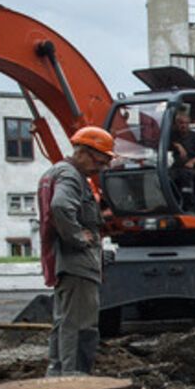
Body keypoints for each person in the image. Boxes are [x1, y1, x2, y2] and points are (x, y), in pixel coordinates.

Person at [38, 126, 114, 376]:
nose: (100, 169)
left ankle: (58, 372)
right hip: (77, 264)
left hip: (67, 263)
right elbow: (60, 206)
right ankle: (74, 377)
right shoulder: (71, 176)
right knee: (80, 323)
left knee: (64, 321)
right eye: (99, 161)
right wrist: (79, 237)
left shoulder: (61, 173)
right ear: (83, 152)